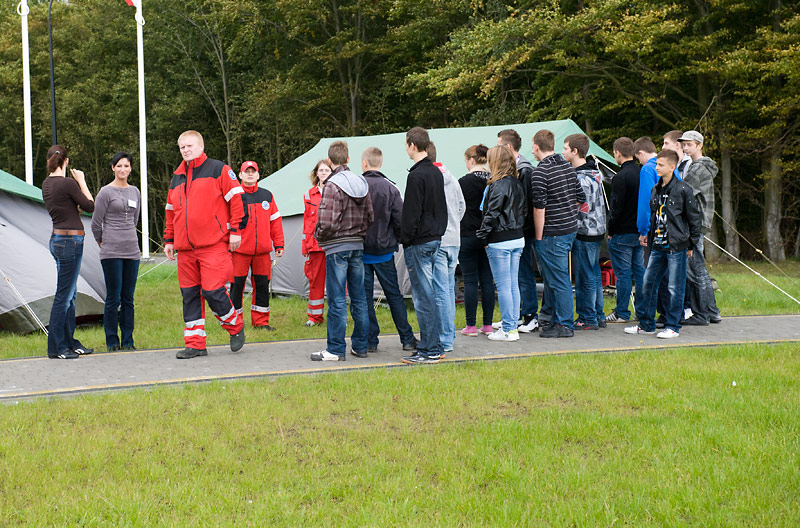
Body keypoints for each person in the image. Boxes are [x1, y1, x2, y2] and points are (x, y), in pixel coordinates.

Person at [164, 130, 246, 359]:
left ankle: (235, 326)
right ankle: (195, 344)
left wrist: (236, 231)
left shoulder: (219, 169)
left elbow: (237, 200)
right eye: (182, 147)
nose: (186, 150)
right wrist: (169, 239)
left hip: (213, 244)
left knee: (212, 292)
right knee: (190, 295)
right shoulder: (177, 176)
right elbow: (171, 211)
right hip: (185, 249)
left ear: (201, 146)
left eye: (189, 145)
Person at [625, 149, 702, 339]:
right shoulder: (656, 189)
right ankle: (646, 324)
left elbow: (694, 219)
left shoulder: (683, 190)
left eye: (661, 165)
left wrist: (691, 245)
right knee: (648, 284)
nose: (657, 168)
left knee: (675, 287)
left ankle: (673, 326)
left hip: (676, 247)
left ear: (672, 167)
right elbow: (654, 216)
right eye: (657, 164)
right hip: (657, 246)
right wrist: (648, 235)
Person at [310, 141, 374, 361]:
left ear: (330, 161)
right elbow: (370, 216)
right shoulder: (361, 182)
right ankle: (361, 346)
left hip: (337, 247)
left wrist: (319, 237)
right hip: (357, 245)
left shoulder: (331, 184)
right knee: (359, 298)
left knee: (337, 299)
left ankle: (336, 350)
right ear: (348, 159)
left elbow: (327, 221)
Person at [360, 147, 417, 353]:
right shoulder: (391, 188)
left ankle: (370, 341)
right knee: (394, 295)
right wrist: (399, 240)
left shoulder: (357, 186)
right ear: (381, 163)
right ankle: (407, 338)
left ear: (364, 163)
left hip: (361, 251)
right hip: (384, 250)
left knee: (365, 298)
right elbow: (400, 219)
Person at [531, 129, 586, 338]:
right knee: (556, 279)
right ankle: (557, 320)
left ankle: (564, 324)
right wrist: (568, 213)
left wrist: (538, 237)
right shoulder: (567, 167)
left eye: (533, 148)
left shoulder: (540, 172)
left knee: (559, 280)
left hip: (551, 234)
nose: (532, 152)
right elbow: (580, 197)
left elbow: (539, 208)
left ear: (537, 147)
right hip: (569, 230)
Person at [42, 145, 96, 359]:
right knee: (64, 296)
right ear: (66, 161)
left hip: (58, 239)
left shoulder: (46, 184)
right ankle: (57, 348)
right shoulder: (68, 183)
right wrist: (81, 180)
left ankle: (69, 342)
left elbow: (69, 209)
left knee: (70, 294)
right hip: (70, 242)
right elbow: (90, 206)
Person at [400, 127, 447, 364]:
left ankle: (430, 348)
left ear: (411, 145)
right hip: (435, 238)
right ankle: (434, 344)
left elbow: (411, 213)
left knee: (423, 297)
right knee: (431, 294)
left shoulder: (416, 175)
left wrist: (405, 238)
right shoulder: (435, 171)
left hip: (420, 242)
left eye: (406, 145)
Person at [90, 152, 141, 351]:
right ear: (112, 168)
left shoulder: (135, 191)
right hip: (111, 251)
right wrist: (102, 241)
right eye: (119, 166)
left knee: (128, 298)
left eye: (126, 166)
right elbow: (96, 223)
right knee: (114, 298)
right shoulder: (105, 192)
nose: (122, 170)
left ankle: (128, 340)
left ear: (131, 168)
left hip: (132, 250)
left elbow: (135, 219)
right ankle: (112, 341)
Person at [476, 146, 527, 341]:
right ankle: (511, 326)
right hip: (517, 237)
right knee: (512, 285)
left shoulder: (497, 185)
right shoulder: (516, 182)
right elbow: (523, 212)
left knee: (505, 286)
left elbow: (491, 214)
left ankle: (508, 328)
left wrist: (482, 237)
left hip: (500, 239)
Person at [230, 161, 284, 331]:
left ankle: (261, 322)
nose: (250, 174)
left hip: (262, 252)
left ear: (258, 175)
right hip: (239, 251)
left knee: (262, 286)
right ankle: (235, 323)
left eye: (253, 171)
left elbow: (275, 221)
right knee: (236, 287)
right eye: (246, 171)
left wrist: (279, 244)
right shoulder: (234, 196)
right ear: (240, 175)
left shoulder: (267, 195)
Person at [497, 129, 540, 332]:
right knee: (514, 275)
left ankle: (530, 315)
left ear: (508, 147)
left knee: (523, 274)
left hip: (523, 231)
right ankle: (514, 316)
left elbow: (527, 205)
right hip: (515, 231)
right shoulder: (513, 169)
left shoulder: (525, 171)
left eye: (499, 145)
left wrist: (521, 229)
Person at [562, 134, 607, 330]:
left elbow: (581, 209)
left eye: (565, 148)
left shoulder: (581, 178)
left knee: (585, 276)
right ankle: (598, 314)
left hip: (585, 232)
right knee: (594, 274)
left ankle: (587, 317)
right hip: (596, 230)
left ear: (575, 151)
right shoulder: (594, 172)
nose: (563, 152)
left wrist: (569, 227)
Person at [679, 130, 722, 325]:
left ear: (699, 145)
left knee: (695, 269)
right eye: (684, 145)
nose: (685, 148)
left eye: (689, 145)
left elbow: (683, 191)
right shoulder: (697, 166)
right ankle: (711, 312)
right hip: (698, 222)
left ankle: (702, 314)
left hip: (695, 223)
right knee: (699, 268)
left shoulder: (698, 168)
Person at [427, 141, 466, 354]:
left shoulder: (429, 178)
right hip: (454, 239)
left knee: (441, 291)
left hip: (439, 239)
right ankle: (449, 334)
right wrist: (454, 225)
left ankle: (445, 339)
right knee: (449, 290)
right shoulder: (453, 178)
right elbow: (462, 207)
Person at [458, 145, 496, 337]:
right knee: (487, 280)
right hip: (489, 236)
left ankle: (470, 325)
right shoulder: (494, 180)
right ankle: (488, 324)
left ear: (471, 160)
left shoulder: (462, 183)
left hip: (467, 234)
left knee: (470, 280)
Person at [302, 160, 332, 326]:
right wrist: (305, 245)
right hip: (315, 246)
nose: (324, 173)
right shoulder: (309, 194)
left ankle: (338, 316)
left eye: (327, 170)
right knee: (315, 281)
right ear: (316, 173)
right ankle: (314, 317)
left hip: (333, 245)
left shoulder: (337, 191)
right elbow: (307, 221)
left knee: (337, 283)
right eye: (321, 170)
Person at [634, 136, 659, 241]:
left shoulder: (647, 169)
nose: (640, 162)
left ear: (641, 153)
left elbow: (646, 200)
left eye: (638, 158)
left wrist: (643, 230)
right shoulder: (671, 165)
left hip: (654, 227)